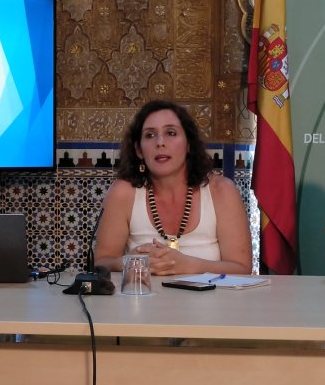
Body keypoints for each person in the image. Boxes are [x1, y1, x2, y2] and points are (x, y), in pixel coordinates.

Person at [94, 100, 252, 276]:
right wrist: (131, 262)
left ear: (188, 144)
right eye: (150, 135)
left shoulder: (222, 191)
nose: (160, 142)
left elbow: (242, 268)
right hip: (142, 301)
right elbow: (101, 263)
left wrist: (190, 266)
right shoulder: (123, 192)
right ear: (139, 150)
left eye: (171, 133)